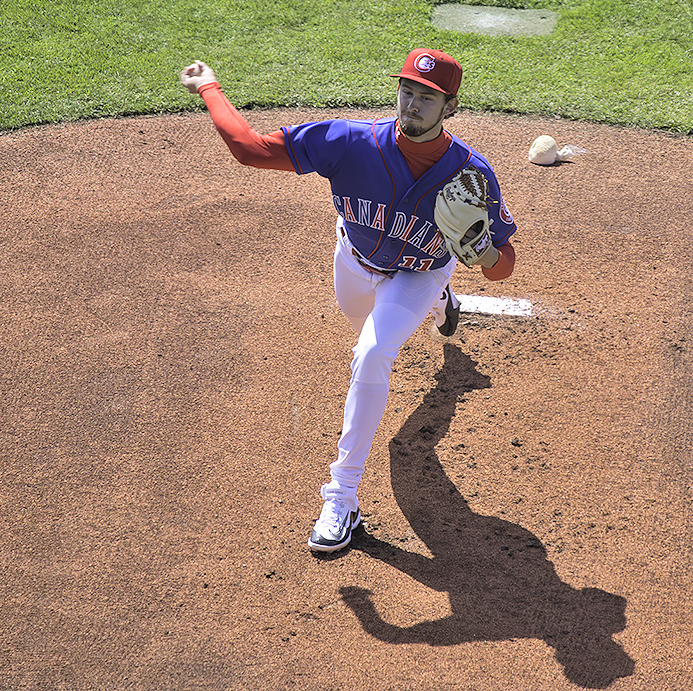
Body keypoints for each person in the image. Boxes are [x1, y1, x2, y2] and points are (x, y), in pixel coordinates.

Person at [180, 48, 517, 552]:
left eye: (428, 97)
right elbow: (249, 149)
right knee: (356, 315)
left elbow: (503, 266)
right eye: (407, 90)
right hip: (354, 261)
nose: (413, 103)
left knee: (372, 352)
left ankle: (342, 497)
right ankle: (443, 309)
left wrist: (485, 251)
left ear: (450, 105)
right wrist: (208, 87)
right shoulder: (349, 142)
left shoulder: (470, 173)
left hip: (419, 272)